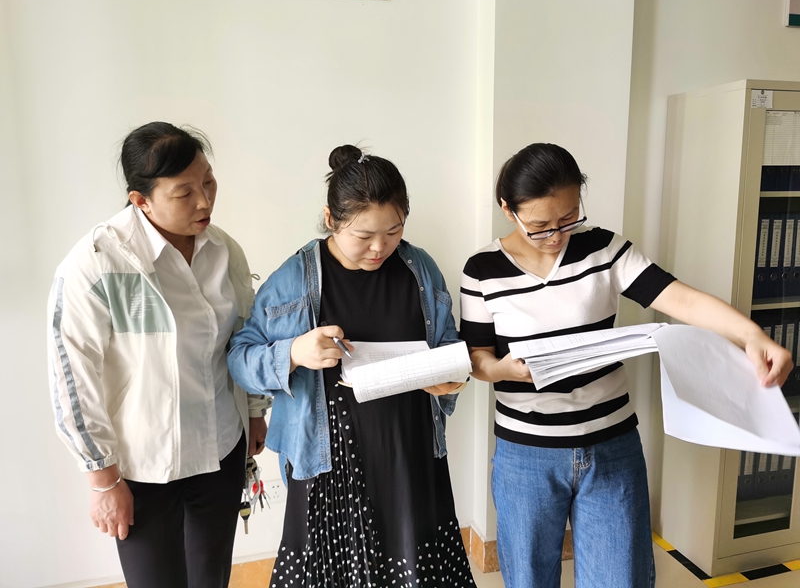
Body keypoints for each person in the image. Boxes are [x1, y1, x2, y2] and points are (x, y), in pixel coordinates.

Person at [459, 142, 793, 588]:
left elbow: (681, 299)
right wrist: (508, 370)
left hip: (612, 445)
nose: (556, 235)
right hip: (527, 453)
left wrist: (751, 335)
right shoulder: (482, 270)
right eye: (539, 227)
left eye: (569, 218)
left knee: (621, 579)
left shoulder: (603, 248)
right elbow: (478, 359)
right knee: (529, 579)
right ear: (508, 209)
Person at [228, 144, 475, 588]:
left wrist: (451, 377)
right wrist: (293, 353)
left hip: (410, 451)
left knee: (417, 568)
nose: (380, 247)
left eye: (394, 231)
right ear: (330, 219)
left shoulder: (420, 270)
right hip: (330, 461)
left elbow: (448, 344)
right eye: (363, 236)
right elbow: (240, 359)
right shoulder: (295, 279)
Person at [46, 122, 269, 588]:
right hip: (142, 467)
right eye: (184, 192)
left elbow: (244, 336)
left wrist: (253, 412)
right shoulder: (98, 264)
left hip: (220, 450)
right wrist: (103, 481)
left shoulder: (224, 251)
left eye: (208, 182)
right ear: (140, 200)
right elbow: (73, 380)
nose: (204, 201)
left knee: (211, 579)